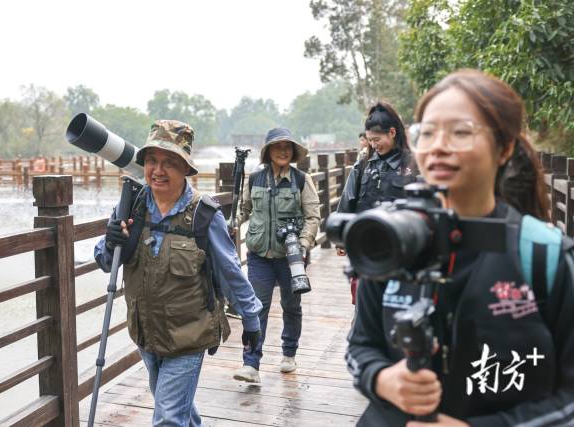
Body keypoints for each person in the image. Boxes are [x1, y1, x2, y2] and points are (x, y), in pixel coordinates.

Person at [346, 69, 574, 426]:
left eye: (461, 132)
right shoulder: (392, 240)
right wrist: (382, 379)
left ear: (505, 147)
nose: (438, 145)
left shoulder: (544, 254)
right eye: (428, 132)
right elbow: (359, 347)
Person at [94, 120, 262, 427]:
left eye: (169, 163)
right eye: (152, 161)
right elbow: (106, 261)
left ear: (185, 169)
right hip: (146, 333)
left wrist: (251, 321)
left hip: (189, 336)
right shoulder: (131, 206)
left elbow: (230, 271)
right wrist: (110, 239)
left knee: (168, 418)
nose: (158, 170)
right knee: (175, 409)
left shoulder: (204, 214)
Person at [232, 127, 321, 383]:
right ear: (268, 151)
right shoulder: (254, 179)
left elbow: (313, 216)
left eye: (287, 147)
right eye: (277, 146)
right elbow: (244, 210)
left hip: (290, 256)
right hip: (259, 255)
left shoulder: (302, 180)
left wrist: (302, 245)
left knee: (291, 306)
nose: (283, 151)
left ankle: (289, 354)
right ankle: (251, 364)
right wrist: (228, 222)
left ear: (293, 152)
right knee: (255, 308)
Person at [336, 102, 417, 304]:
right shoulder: (363, 165)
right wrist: (341, 236)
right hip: (365, 252)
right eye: (370, 140)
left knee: (397, 307)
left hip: (401, 252)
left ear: (392, 132)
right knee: (363, 308)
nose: (373, 145)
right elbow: (348, 199)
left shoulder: (414, 165)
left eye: (377, 139)